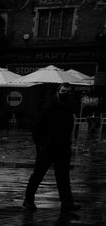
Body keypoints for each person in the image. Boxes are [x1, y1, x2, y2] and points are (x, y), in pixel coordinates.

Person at [23, 84, 80, 212]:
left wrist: (68, 144)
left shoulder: (69, 108)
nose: (65, 93)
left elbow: (69, 128)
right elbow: (38, 126)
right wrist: (40, 144)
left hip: (63, 147)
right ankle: (28, 200)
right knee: (38, 174)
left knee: (63, 176)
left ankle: (67, 202)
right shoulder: (48, 107)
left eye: (68, 92)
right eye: (63, 91)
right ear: (58, 92)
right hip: (47, 147)